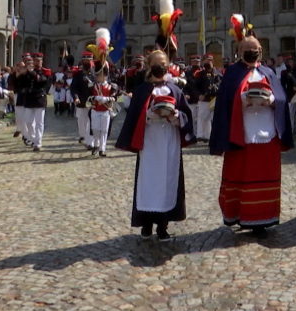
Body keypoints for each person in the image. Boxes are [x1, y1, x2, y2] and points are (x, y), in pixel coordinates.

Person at [210, 30, 293, 238]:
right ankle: (239, 215)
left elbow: (282, 99)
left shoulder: (269, 72)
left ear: (261, 51)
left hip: (267, 134)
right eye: (246, 50)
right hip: (242, 134)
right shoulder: (232, 73)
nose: (251, 52)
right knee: (241, 176)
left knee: (264, 176)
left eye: (254, 50)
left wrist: (271, 101)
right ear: (238, 51)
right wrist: (243, 99)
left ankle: (262, 219)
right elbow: (224, 104)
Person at [115, 50, 195, 241]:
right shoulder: (143, 89)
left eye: (164, 63)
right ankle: (146, 223)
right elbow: (134, 115)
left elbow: (185, 114)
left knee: (167, 180)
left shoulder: (175, 89)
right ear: (149, 67)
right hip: (150, 140)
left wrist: (175, 116)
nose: (161, 67)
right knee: (149, 181)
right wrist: (149, 114)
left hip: (169, 139)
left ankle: (163, 225)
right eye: (157, 64)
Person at [23, 52, 51, 151]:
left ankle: (38, 143)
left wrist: (31, 72)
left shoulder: (45, 71)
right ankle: (33, 138)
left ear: (42, 61)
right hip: (29, 99)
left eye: (39, 60)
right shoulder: (27, 71)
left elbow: (42, 81)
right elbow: (22, 83)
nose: (37, 62)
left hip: (40, 98)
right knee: (29, 122)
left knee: (39, 122)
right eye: (35, 60)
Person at [88, 65, 117, 157]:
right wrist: (98, 98)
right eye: (98, 75)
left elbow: (113, 98)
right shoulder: (94, 85)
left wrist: (106, 99)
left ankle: (102, 149)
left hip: (105, 110)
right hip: (95, 110)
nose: (98, 77)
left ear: (105, 76)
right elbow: (91, 96)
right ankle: (96, 144)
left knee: (104, 130)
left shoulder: (110, 86)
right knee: (95, 129)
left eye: (100, 75)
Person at [71, 51, 95, 149]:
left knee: (91, 122)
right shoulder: (78, 74)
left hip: (92, 101)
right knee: (82, 121)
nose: (86, 61)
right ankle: (83, 136)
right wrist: (75, 97)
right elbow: (74, 87)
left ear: (91, 60)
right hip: (81, 101)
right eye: (84, 59)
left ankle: (90, 142)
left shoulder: (95, 72)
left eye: (88, 59)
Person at [195, 53, 221, 142]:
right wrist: (199, 95)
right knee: (202, 117)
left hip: (214, 99)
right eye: (205, 60)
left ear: (212, 61)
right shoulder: (200, 74)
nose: (207, 62)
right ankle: (200, 135)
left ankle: (211, 135)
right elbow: (195, 86)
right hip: (204, 99)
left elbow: (222, 83)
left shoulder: (218, 72)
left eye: (209, 60)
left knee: (214, 118)